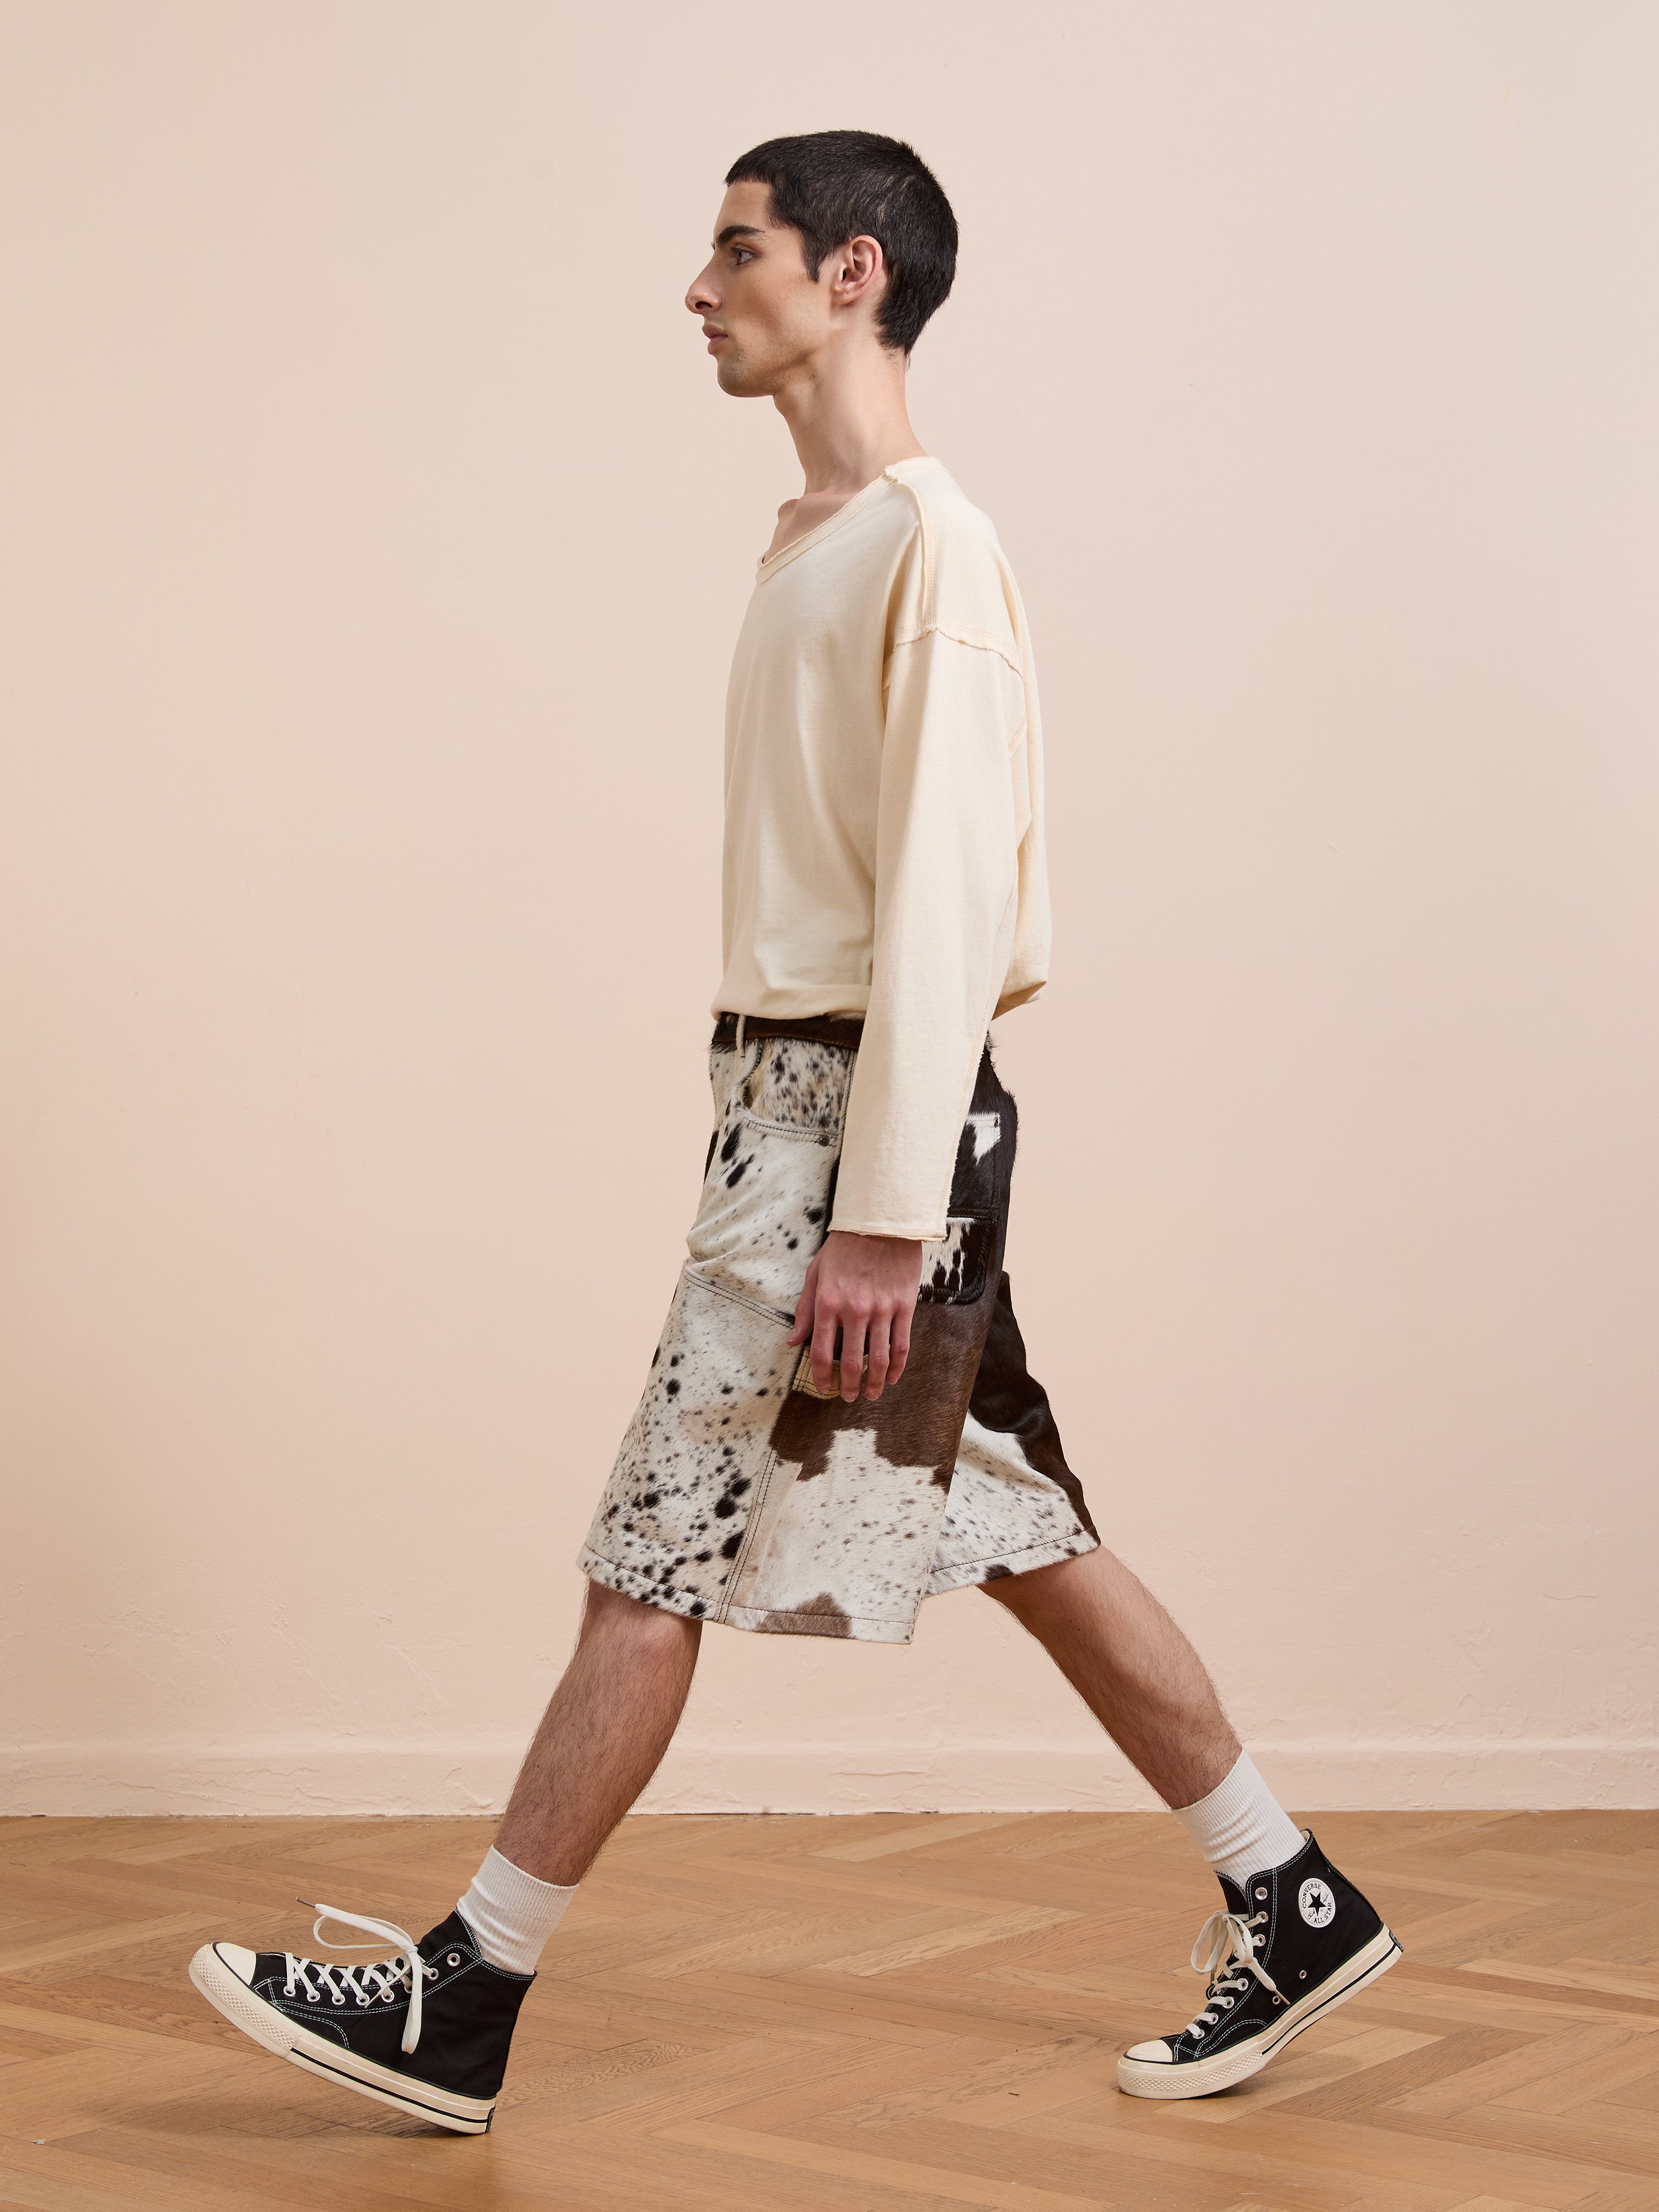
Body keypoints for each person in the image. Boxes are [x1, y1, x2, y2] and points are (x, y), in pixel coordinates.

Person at [188, 128, 1401, 2134]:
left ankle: (464, 1996)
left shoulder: (936, 542)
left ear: (852, 272)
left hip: (848, 1132)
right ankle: (1290, 1887)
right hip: (808, 1108)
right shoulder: (817, 539)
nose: (698, 284)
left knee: (647, 1554)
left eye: (736, 247)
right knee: (1025, 1520)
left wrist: (877, 1215)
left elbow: (944, 893)